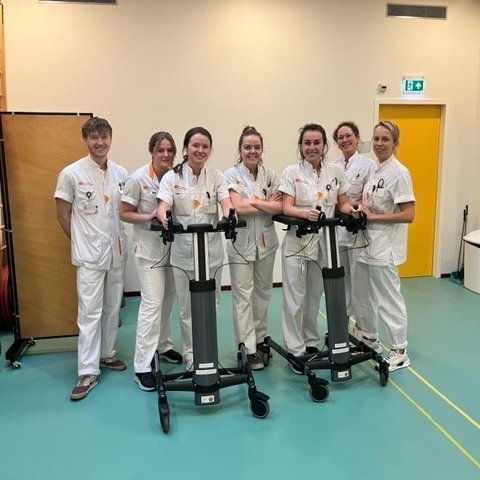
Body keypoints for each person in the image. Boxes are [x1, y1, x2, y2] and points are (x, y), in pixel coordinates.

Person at [54, 117, 128, 401]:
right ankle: (87, 370)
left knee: (112, 307)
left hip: (116, 251)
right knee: (89, 312)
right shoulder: (71, 173)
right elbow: (63, 214)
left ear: (111, 138)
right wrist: (81, 243)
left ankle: (107, 353)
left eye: (104, 137)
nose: (100, 142)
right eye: (94, 137)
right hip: (88, 256)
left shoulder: (121, 173)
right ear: (86, 139)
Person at [279, 123, 358, 374]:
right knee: (295, 298)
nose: (312, 147)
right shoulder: (291, 172)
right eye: (307, 143)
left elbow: (342, 203)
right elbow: (286, 207)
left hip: (324, 243)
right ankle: (295, 349)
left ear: (324, 145)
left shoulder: (335, 172)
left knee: (314, 295)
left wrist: (352, 210)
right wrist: (305, 214)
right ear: (301, 146)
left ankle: (311, 341)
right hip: (297, 242)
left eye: (317, 143)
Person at [156, 127, 233, 371]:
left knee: (212, 305)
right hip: (183, 253)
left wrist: (230, 215)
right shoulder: (172, 178)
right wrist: (164, 216)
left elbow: (226, 203)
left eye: (205, 146)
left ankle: (208, 351)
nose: (200, 150)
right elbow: (163, 205)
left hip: (211, 253)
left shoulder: (217, 177)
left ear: (210, 150)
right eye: (195, 145)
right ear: (186, 148)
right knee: (187, 308)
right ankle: (192, 355)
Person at [119, 131, 182, 392]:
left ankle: (163, 346)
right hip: (148, 251)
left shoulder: (177, 177)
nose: (165, 155)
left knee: (167, 300)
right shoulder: (138, 179)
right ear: (152, 152)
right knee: (152, 304)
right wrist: (150, 216)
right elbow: (124, 213)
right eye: (160, 150)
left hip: (173, 250)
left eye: (169, 150)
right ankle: (142, 366)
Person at [352, 121, 415, 371]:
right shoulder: (376, 171)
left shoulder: (399, 173)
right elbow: (372, 205)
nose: (379, 143)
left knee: (388, 299)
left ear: (395, 143)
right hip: (366, 244)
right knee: (363, 295)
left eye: (385, 139)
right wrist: (362, 210)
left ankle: (399, 350)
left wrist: (374, 217)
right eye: (376, 138)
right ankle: (369, 337)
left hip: (384, 247)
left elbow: (409, 214)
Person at [223, 126, 282, 370]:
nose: (252, 151)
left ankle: (260, 339)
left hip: (266, 243)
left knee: (263, 294)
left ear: (262, 150)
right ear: (240, 150)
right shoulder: (230, 175)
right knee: (243, 296)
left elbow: (280, 208)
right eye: (247, 147)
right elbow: (237, 208)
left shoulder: (271, 175)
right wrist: (265, 203)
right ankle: (247, 348)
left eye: (257, 147)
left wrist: (251, 202)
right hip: (241, 244)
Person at [332, 121, 375, 318]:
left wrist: (352, 206)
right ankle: (343, 320)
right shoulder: (333, 167)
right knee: (341, 279)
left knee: (360, 281)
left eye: (348, 135)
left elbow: (368, 199)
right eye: (340, 137)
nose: (344, 140)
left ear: (357, 138)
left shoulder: (368, 166)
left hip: (358, 230)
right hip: (337, 230)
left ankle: (363, 326)